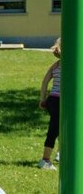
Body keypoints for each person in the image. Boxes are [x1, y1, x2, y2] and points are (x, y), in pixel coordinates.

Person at [38, 38, 61, 170]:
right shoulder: (74, 66)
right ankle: (45, 160)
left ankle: (60, 153)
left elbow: (45, 82)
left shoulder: (56, 65)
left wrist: (43, 98)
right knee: (54, 129)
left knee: (60, 127)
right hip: (62, 101)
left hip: (52, 100)